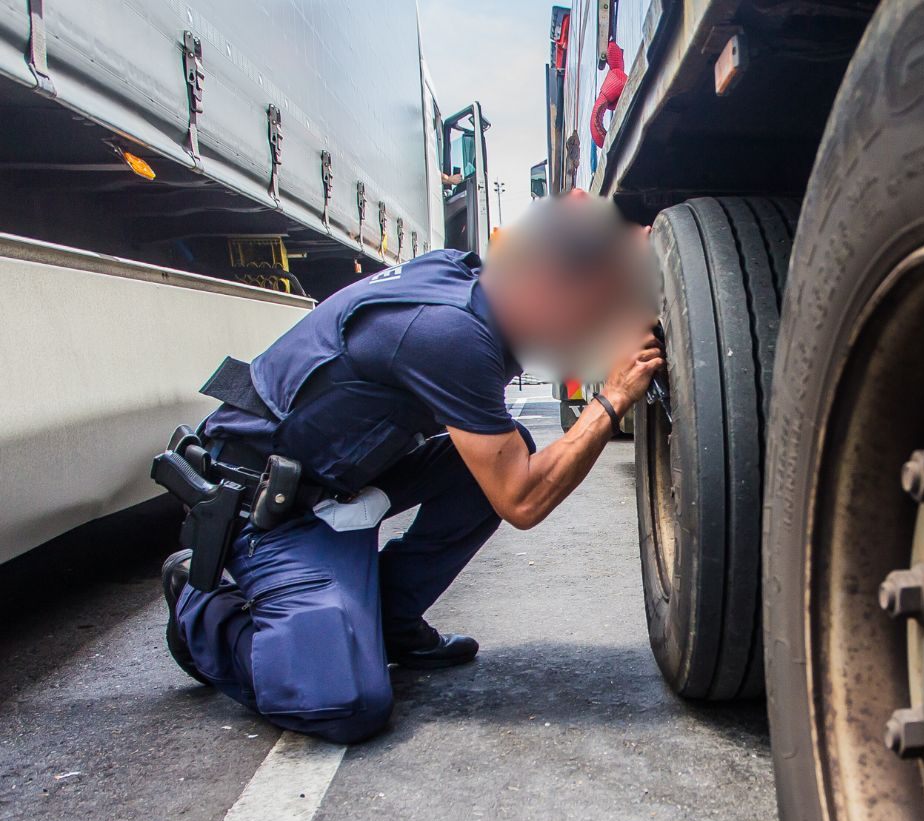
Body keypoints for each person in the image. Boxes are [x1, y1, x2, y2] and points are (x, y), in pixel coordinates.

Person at [160, 196, 662, 744]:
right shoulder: (450, 335)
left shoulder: (468, 279)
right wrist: (610, 401)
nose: (589, 331)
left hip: (334, 477)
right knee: (344, 703)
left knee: (502, 449)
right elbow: (522, 500)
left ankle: (388, 623)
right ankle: (199, 610)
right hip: (264, 504)